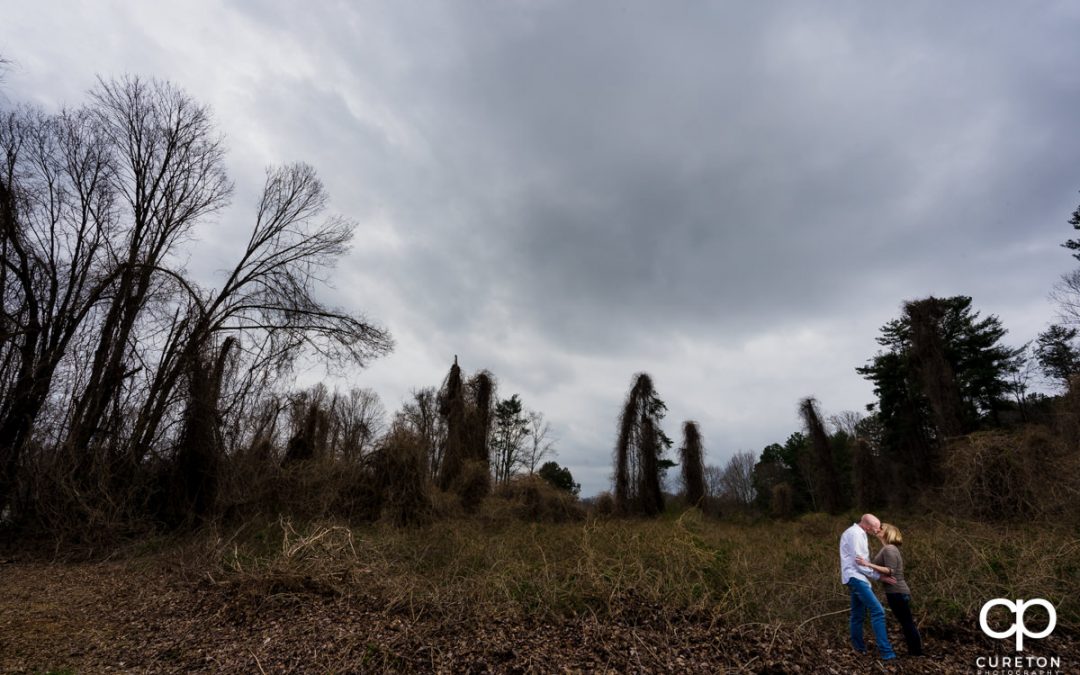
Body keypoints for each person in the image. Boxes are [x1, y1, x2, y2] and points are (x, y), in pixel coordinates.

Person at [857, 523, 924, 656]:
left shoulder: (890, 549)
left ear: (888, 533)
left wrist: (868, 564)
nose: (878, 530)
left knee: (907, 622)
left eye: (881, 529)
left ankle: (917, 652)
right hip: (894, 592)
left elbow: (890, 570)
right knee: (906, 622)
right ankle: (915, 651)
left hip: (897, 591)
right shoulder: (887, 548)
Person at [839, 513, 896, 661]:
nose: (877, 531)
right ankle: (887, 653)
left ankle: (859, 649)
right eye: (876, 528)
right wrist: (879, 576)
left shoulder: (858, 533)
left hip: (857, 577)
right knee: (878, 611)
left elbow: (863, 561)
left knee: (857, 615)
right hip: (856, 577)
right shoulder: (855, 534)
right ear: (868, 526)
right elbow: (860, 562)